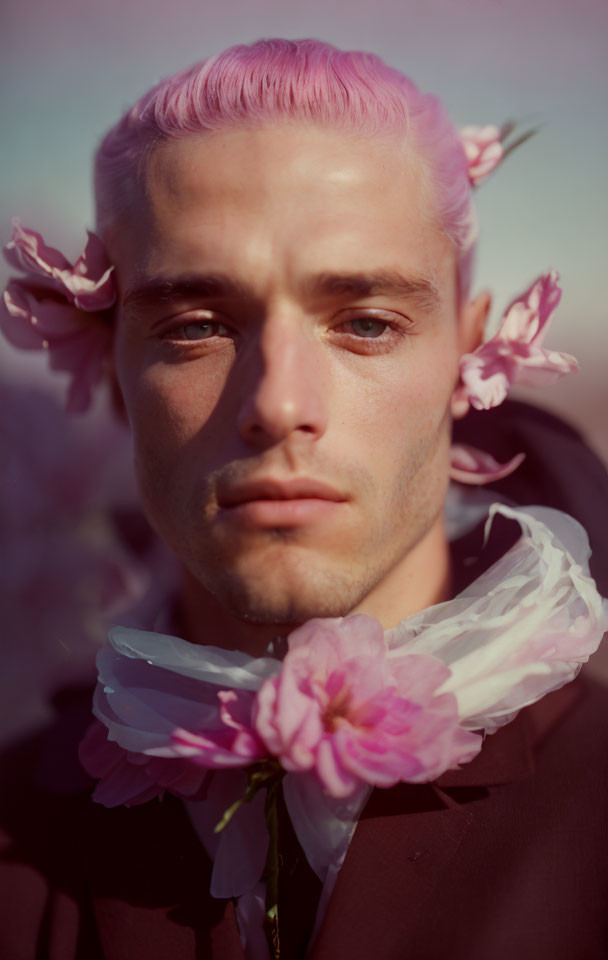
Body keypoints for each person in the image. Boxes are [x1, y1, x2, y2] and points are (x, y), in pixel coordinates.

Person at [1, 38, 607, 960]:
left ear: (468, 360)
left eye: (367, 322)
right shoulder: (18, 834)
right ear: (113, 366)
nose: (279, 405)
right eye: (195, 325)